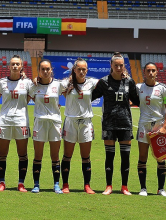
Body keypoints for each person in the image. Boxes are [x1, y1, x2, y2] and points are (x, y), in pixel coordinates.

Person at [92, 52, 140, 195]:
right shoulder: (104, 82)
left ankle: (124, 186)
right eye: (116, 65)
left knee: (125, 157)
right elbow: (91, 97)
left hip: (125, 123)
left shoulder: (129, 82)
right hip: (109, 124)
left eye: (121, 65)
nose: (119, 68)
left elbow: (137, 101)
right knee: (110, 157)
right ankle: (109, 186)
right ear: (111, 65)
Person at [0, 55, 32, 192]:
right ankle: (2, 182)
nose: (15, 66)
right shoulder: (1, 83)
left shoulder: (28, 83)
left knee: (23, 154)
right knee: (2, 153)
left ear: (21, 66)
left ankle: (21, 183)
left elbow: (30, 98)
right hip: (5, 121)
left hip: (21, 121)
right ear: (9, 67)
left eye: (17, 64)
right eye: (12, 64)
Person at [61, 58, 97, 194]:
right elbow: (51, 85)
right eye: (79, 69)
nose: (81, 71)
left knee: (86, 156)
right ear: (74, 70)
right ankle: (65, 184)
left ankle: (87, 185)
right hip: (70, 122)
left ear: (87, 70)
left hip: (86, 122)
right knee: (67, 155)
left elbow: (107, 83)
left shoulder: (92, 83)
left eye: (84, 69)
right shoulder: (66, 83)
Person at [29, 59, 65, 193]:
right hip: (40, 122)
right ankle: (36, 185)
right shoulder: (34, 86)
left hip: (55, 122)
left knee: (54, 156)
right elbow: (29, 97)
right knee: (38, 155)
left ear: (51, 70)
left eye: (47, 69)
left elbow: (69, 96)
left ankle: (56, 184)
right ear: (39, 70)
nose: (45, 71)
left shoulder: (58, 85)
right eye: (42, 69)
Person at [136, 62, 166, 197]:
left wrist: (165, 127)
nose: (151, 73)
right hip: (143, 126)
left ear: (157, 72)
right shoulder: (138, 87)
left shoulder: (163, 88)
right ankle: (143, 189)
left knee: (161, 158)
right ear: (144, 72)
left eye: (153, 70)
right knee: (142, 157)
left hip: (158, 127)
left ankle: (161, 189)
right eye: (148, 71)